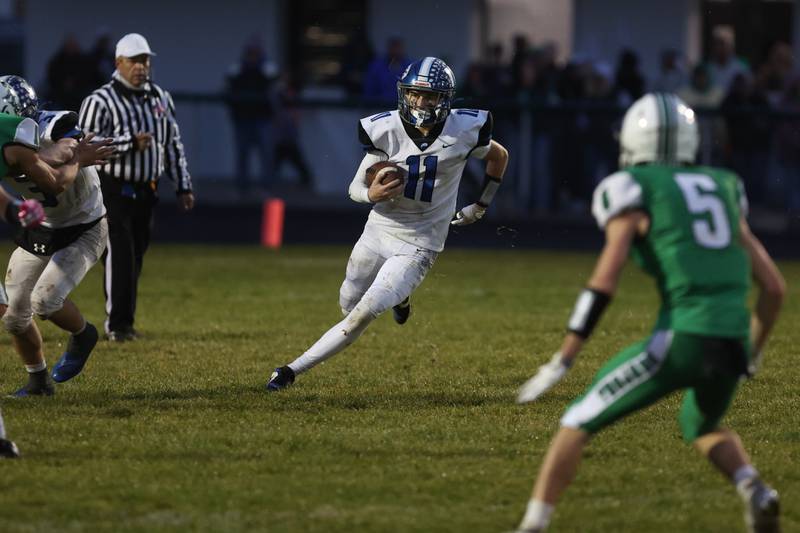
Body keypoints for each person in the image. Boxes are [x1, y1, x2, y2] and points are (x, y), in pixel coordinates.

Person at [512, 93, 784, 533]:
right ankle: (755, 489)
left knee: (575, 421)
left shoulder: (634, 189)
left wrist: (565, 357)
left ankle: (532, 526)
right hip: (733, 338)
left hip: (683, 335)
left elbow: (605, 279)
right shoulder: (724, 185)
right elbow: (773, 287)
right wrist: (750, 351)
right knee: (701, 424)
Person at [267, 57, 509, 391]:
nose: (421, 103)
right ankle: (402, 299)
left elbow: (499, 156)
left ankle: (290, 371)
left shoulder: (466, 127)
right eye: (414, 94)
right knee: (347, 302)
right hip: (379, 230)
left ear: (446, 99)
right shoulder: (385, 128)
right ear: (403, 94)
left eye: (430, 96)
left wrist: (482, 204)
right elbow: (354, 188)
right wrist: (372, 193)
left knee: (360, 316)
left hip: (420, 243)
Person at [0, 75, 114, 396]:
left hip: (84, 225)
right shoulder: (14, 146)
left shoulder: (56, 126)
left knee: (45, 301)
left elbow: (64, 160)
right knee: (15, 319)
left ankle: (83, 334)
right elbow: (37, 162)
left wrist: (70, 155)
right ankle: (39, 382)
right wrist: (48, 158)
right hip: (43, 227)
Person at [79, 33, 194, 342]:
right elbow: (85, 145)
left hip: (147, 189)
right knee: (120, 254)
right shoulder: (99, 100)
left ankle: (125, 322)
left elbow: (172, 144)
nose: (141, 67)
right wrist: (130, 142)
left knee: (137, 255)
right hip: (113, 189)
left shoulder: (160, 97)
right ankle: (117, 326)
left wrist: (182, 185)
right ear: (119, 63)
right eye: (134, 61)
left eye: (145, 60)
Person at [225, 38, 279, 194]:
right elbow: (228, 87)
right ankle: (242, 187)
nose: (253, 56)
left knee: (266, 153)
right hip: (243, 118)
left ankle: (267, 186)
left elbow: (275, 82)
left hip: (263, 118)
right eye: (251, 53)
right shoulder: (238, 68)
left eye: (256, 53)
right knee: (243, 153)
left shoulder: (267, 68)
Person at [362, 37, 411, 103]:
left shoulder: (410, 65)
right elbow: (369, 90)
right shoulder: (376, 66)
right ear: (389, 48)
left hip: (402, 107)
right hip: (379, 106)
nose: (396, 50)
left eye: (398, 47)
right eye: (393, 47)